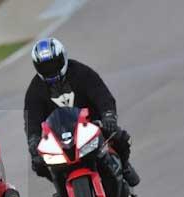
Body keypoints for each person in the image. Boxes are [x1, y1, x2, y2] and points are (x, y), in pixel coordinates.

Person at [24, 37, 140, 186]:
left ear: (62, 58)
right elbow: (31, 118)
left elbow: (102, 95)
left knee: (120, 137)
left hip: (92, 125)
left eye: (53, 64)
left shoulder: (81, 72)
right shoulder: (35, 90)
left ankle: (124, 167)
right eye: (45, 67)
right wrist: (33, 141)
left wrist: (108, 116)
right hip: (60, 136)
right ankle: (62, 185)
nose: (50, 70)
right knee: (39, 163)